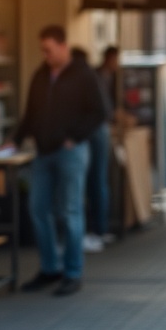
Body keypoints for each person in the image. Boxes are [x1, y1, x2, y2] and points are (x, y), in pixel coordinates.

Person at [13, 26, 107, 297]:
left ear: (63, 46)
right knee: (38, 208)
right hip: (43, 152)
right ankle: (49, 267)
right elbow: (30, 112)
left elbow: (100, 112)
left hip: (71, 152)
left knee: (70, 210)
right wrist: (16, 140)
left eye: (49, 50)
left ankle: (73, 272)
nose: (45, 55)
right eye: (42, 50)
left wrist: (75, 137)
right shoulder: (41, 75)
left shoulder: (84, 75)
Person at [83, 45, 118, 253]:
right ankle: (98, 229)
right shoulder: (96, 76)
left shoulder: (108, 77)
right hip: (98, 131)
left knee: (97, 181)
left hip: (96, 132)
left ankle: (99, 229)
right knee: (97, 181)